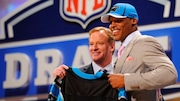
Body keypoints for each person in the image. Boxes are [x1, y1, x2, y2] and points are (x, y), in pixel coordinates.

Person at [100, 3, 178, 101]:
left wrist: (126, 80)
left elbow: (169, 74)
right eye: (111, 22)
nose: (112, 26)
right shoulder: (124, 49)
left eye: (118, 21)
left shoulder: (144, 42)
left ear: (133, 20)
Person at [52, 26, 127, 101]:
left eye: (100, 43)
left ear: (112, 47)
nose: (94, 48)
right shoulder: (75, 79)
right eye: (91, 44)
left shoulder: (124, 75)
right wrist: (60, 79)